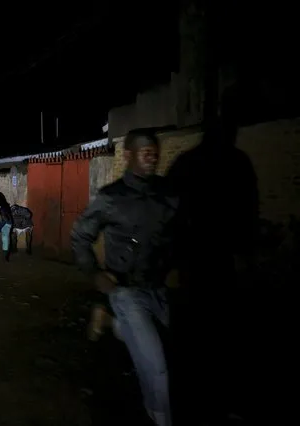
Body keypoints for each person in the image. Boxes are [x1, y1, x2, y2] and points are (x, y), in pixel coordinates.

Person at [71, 129, 180, 426]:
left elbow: (182, 236)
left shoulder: (168, 195)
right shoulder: (111, 198)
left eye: (155, 151)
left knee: (165, 354)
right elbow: (80, 236)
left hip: (159, 290)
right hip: (125, 290)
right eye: (144, 150)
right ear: (128, 155)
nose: (152, 155)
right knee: (156, 367)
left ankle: (110, 322)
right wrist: (95, 275)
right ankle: (161, 418)